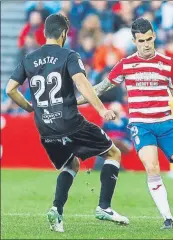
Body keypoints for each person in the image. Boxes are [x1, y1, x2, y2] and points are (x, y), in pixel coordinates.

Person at [78, 17, 173, 229]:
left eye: (149, 39)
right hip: (141, 125)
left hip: (166, 123)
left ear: (154, 36)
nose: (146, 44)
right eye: (141, 40)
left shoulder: (167, 63)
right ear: (134, 41)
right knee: (152, 167)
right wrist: (73, 101)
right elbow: (100, 89)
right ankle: (168, 218)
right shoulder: (126, 64)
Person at [6, 13, 129, 233]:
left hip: (44, 126)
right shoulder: (68, 55)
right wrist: (102, 109)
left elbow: (10, 89)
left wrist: (29, 108)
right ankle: (104, 207)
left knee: (71, 164)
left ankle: (57, 209)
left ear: (44, 33)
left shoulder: (29, 59)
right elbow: (81, 82)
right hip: (70, 122)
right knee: (113, 154)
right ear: (63, 33)